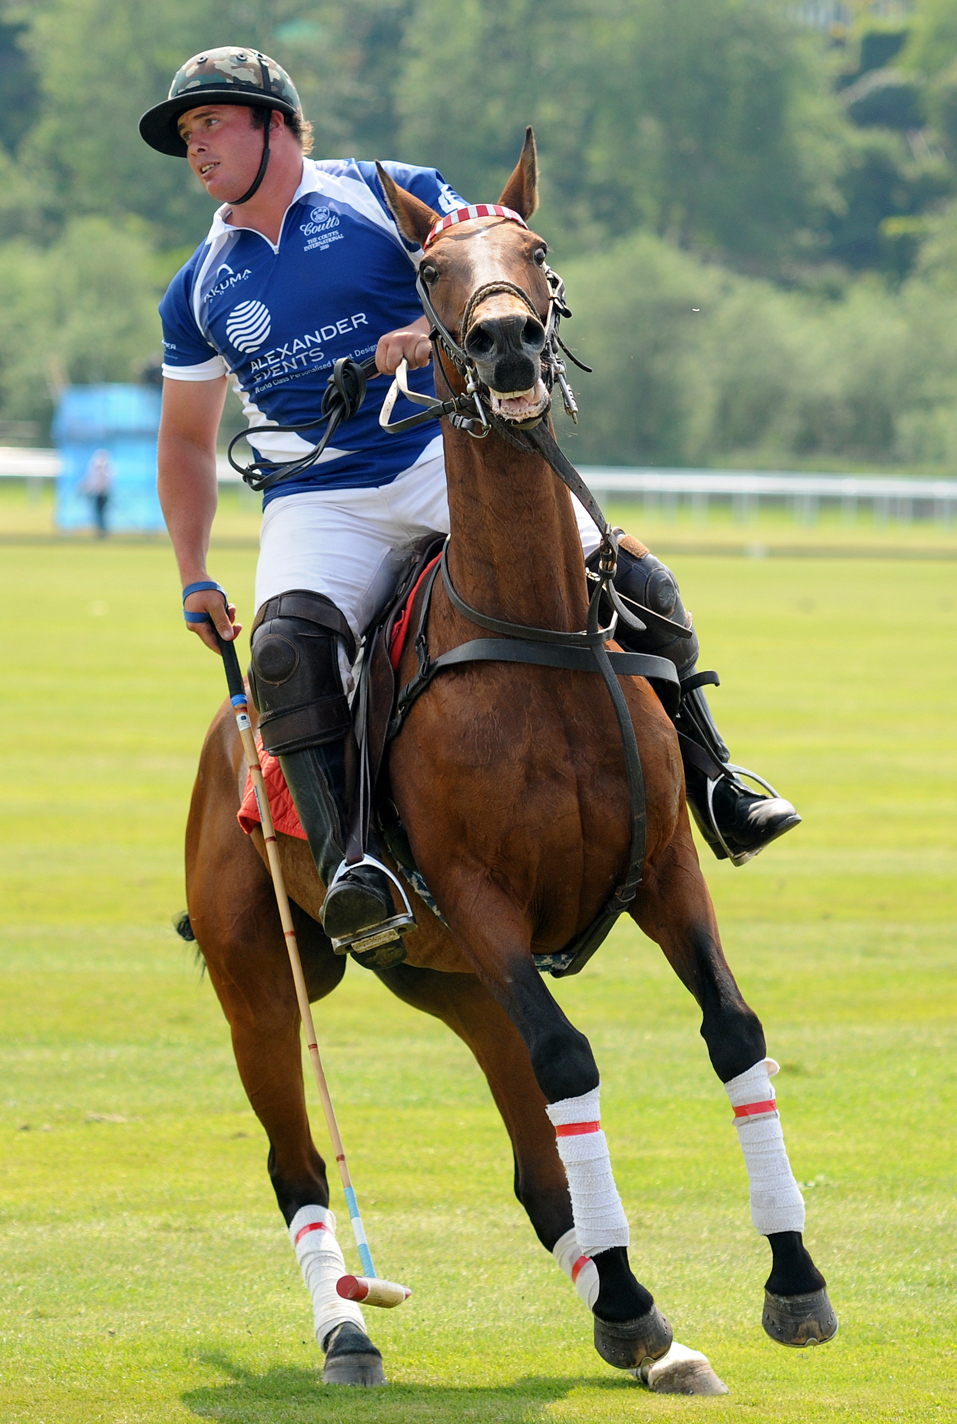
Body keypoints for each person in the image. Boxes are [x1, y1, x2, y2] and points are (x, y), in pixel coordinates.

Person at [142, 47, 799, 964]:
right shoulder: (198, 287)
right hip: (318, 499)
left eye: (212, 121)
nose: (195, 145)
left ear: (277, 124)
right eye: (185, 132)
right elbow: (181, 443)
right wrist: (192, 575)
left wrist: (421, 330)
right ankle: (354, 869)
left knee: (633, 573)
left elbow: (491, 264)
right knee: (287, 653)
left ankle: (715, 778)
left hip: (438, 458)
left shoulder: (385, 194)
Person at [79, 448, 113, 537]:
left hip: (103, 494)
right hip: (95, 494)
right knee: (97, 512)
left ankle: (103, 530)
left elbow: (108, 482)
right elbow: (89, 481)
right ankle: (99, 529)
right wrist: (84, 488)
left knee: (102, 513)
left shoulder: (107, 470)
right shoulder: (94, 470)